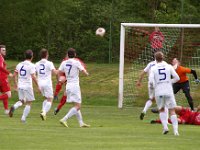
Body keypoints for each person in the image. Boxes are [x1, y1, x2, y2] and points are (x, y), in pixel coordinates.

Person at [149, 51, 180, 135]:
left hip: (159, 91)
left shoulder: (153, 68)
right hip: (168, 90)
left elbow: (151, 81)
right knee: (172, 110)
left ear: (155, 59)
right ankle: (176, 131)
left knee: (162, 109)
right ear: (163, 58)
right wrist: (169, 81)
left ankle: (165, 127)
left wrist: (155, 86)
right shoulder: (169, 66)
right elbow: (177, 78)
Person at [59, 48, 90, 128]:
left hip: (68, 85)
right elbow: (83, 71)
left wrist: (61, 79)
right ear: (75, 54)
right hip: (75, 86)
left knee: (75, 105)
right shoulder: (76, 62)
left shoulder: (64, 63)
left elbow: (59, 72)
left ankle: (81, 123)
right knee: (78, 106)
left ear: (67, 55)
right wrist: (87, 73)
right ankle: (64, 119)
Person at [9, 50, 40, 122]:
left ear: (25, 56)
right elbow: (33, 77)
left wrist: (16, 85)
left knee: (22, 101)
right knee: (29, 102)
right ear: (32, 57)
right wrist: (38, 86)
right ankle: (23, 118)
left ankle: (14, 106)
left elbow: (14, 76)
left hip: (20, 86)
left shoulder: (19, 64)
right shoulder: (32, 65)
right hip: (27, 86)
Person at [35, 48, 57, 120]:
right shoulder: (49, 63)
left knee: (46, 98)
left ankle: (42, 110)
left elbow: (33, 73)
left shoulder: (37, 64)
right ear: (47, 55)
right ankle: (44, 112)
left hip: (40, 83)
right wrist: (61, 70)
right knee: (50, 99)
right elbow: (55, 72)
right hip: (47, 83)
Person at [0, 45, 13, 115]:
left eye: (5, 50)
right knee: (8, 95)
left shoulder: (1, 58)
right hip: (2, 79)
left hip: (2, 78)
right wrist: (8, 73)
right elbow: (0, 67)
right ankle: (6, 110)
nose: (4, 51)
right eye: (3, 50)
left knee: (4, 94)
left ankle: (6, 110)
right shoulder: (0, 58)